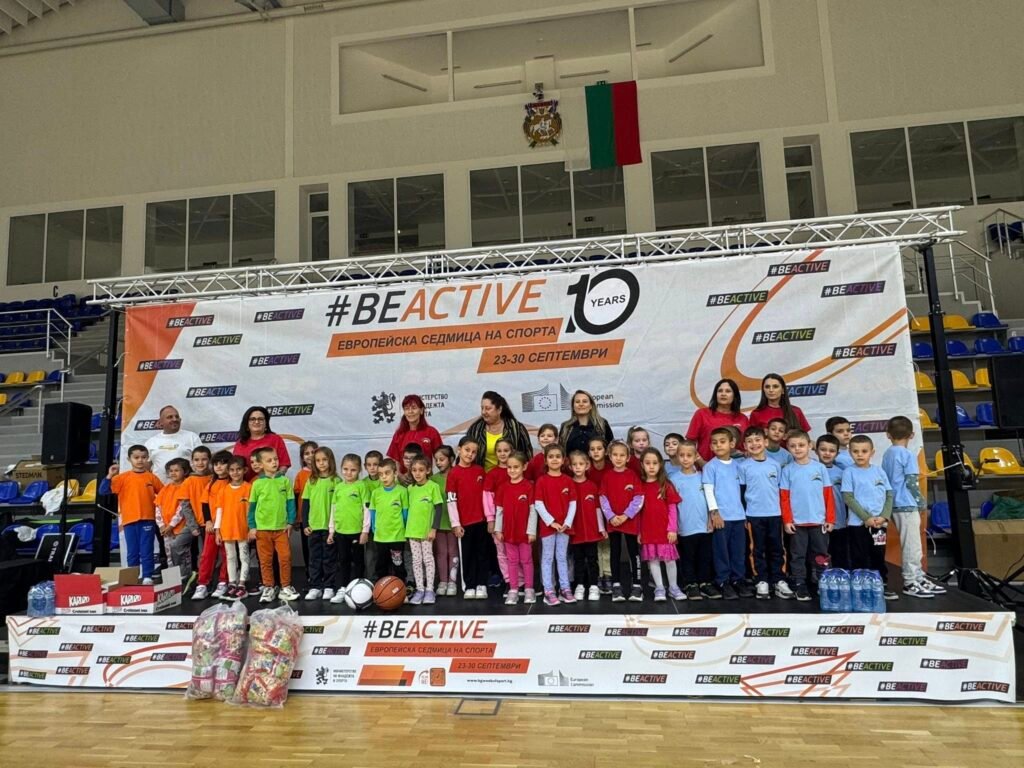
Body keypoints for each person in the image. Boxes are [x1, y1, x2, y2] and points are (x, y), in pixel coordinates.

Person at [882, 416, 945, 597]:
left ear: (888, 435)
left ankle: (918, 577)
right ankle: (911, 581)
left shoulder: (887, 453)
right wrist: (920, 501)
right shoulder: (908, 454)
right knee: (912, 545)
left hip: (893, 503)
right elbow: (911, 482)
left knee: (911, 543)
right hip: (907, 504)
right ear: (912, 435)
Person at [779, 431, 834, 601]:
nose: (797, 449)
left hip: (819, 521)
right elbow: (784, 497)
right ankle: (799, 584)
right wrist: (787, 520)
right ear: (788, 448)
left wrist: (830, 519)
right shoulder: (787, 470)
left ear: (810, 445)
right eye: (793, 446)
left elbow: (828, 494)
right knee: (798, 555)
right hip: (797, 523)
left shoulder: (820, 468)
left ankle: (823, 582)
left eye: (801, 445)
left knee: (821, 554)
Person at [841, 434, 897, 601]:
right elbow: (848, 497)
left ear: (872, 452)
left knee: (878, 554)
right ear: (850, 452)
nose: (860, 454)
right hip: (858, 524)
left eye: (864, 451)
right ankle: (861, 586)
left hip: (879, 524)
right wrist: (866, 518)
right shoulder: (849, 472)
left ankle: (881, 584)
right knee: (859, 555)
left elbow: (889, 494)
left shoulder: (879, 471)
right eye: (855, 451)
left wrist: (884, 517)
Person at [738, 427, 790, 600]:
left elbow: (781, 490)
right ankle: (761, 580)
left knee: (777, 548)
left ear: (766, 442)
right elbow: (742, 492)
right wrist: (745, 515)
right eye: (750, 441)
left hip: (775, 514)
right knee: (757, 549)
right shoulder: (743, 467)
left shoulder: (775, 465)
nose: (754, 444)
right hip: (754, 515)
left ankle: (779, 579)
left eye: (758, 440)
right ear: (745, 445)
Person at [702, 427, 750, 600]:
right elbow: (708, 490)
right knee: (721, 551)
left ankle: (738, 579)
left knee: (738, 551)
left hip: (738, 516)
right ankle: (723, 580)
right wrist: (715, 513)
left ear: (732, 444)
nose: (718, 445)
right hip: (722, 517)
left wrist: (745, 515)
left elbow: (743, 492)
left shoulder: (739, 466)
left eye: (722, 442)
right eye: (714, 443)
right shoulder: (710, 466)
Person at [102, 446, 161, 585]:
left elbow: (164, 494)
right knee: (132, 551)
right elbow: (103, 491)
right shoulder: (122, 478)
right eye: (136, 457)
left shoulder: (151, 477)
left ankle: (147, 576)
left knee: (147, 550)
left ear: (147, 459)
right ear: (129, 459)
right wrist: (109, 475)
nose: (140, 460)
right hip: (129, 520)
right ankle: (133, 577)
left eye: (143, 457)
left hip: (148, 519)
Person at [667, 440, 719, 600]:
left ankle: (705, 583)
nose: (685, 458)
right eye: (682, 455)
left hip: (704, 526)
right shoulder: (673, 479)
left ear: (696, 456)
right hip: (685, 526)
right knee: (688, 557)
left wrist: (711, 517)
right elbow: (671, 506)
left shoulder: (703, 477)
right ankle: (690, 584)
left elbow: (710, 499)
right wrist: (674, 526)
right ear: (677, 456)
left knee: (705, 556)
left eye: (689, 455)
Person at [247, 447, 298, 603]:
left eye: (275, 459)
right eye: (269, 460)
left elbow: (291, 503)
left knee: (285, 558)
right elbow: (252, 507)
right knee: (265, 560)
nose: (274, 462)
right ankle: (268, 587)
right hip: (262, 530)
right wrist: (252, 526)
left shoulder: (285, 481)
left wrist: (290, 522)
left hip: (281, 529)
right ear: (260, 464)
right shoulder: (257, 484)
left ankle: (285, 587)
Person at [600, 440, 644, 602]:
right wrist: (611, 517)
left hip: (630, 522)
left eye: (622, 455)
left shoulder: (632, 475)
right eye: (615, 455)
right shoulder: (607, 476)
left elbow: (639, 498)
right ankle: (616, 585)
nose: (618, 458)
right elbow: (603, 498)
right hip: (613, 523)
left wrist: (626, 515)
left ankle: (637, 586)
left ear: (627, 457)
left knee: (634, 553)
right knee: (615, 552)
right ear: (610, 457)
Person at [637, 448, 683, 602]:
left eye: (655, 463)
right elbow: (638, 512)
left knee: (669, 560)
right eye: (647, 463)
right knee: (653, 560)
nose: (651, 466)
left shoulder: (666, 485)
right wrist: (639, 531)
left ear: (661, 464)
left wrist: (672, 529)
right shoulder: (640, 486)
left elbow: (672, 508)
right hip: (648, 530)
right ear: (642, 465)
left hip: (665, 531)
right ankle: (659, 588)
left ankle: (674, 588)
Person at [446, 437, 489, 599]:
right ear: (459, 450)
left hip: (481, 521)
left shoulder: (479, 471)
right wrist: (456, 523)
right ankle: (469, 585)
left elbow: (486, 496)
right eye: (467, 450)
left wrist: (489, 518)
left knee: (482, 554)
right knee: (467, 555)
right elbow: (451, 500)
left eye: (474, 452)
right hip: (464, 523)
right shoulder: (453, 473)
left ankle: (481, 584)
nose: (470, 454)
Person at [534, 444, 577, 606]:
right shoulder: (541, 481)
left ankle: (565, 588)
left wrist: (567, 522)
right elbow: (538, 504)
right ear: (545, 460)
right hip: (548, 528)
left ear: (563, 460)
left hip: (564, 528)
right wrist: (551, 522)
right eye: (551, 457)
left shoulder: (568, 480)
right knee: (547, 558)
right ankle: (549, 590)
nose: (554, 459)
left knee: (562, 557)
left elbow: (573, 503)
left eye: (558, 456)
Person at [494, 452, 537, 605]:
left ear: (524, 467)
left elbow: (533, 510)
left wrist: (531, 531)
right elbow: (499, 510)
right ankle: (513, 590)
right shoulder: (503, 488)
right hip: (508, 533)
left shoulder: (529, 486)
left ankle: (529, 589)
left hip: (524, 533)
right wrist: (498, 529)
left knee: (526, 560)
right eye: (509, 467)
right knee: (512, 561)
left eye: (516, 467)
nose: (512, 470)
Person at [329, 454, 370, 603]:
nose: (348, 473)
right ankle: (343, 588)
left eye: (353, 470)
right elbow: (334, 509)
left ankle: (358, 588)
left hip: (356, 532)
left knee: (358, 561)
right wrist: (331, 530)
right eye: (345, 469)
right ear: (341, 469)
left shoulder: (361, 486)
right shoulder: (339, 487)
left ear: (359, 470)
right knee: (343, 560)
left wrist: (365, 531)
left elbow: (367, 509)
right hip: (341, 532)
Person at [156, 458, 201, 590]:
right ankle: (172, 582)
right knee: (169, 555)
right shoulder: (165, 489)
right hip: (166, 529)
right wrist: (161, 525)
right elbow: (158, 507)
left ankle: (185, 579)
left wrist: (171, 525)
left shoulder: (185, 486)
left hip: (180, 528)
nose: (173, 473)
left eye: (177, 470)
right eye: (171, 471)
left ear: (185, 471)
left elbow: (182, 510)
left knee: (183, 554)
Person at [127, 405, 203, 483]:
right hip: (159, 488)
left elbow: (202, 463)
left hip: (186, 487)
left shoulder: (192, 437)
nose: (175, 419)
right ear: (160, 422)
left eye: (177, 416)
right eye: (170, 417)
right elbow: (145, 468)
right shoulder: (151, 442)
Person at [301, 447, 339, 601]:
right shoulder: (311, 481)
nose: (321, 463)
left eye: (324, 460)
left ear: (331, 461)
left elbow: (340, 506)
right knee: (314, 559)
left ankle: (329, 586)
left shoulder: (336, 481)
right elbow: (305, 504)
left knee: (329, 558)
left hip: (330, 528)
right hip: (314, 527)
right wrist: (305, 524)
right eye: (318, 460)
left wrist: (335, 527)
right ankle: (315, 586)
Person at [568, 450, 605, 601]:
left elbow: (597, 508)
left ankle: (594, 586)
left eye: (581, 464)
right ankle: (580, 585)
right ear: (570, 467)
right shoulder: (568, 485)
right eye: (574, 464)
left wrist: (601, 528)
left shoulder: (592, 486)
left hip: (591, 531)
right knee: (578, 559)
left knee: (592, 559)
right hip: (575, 531)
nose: (578, 467)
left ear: (587, 465)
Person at [213, 456, 252, 600]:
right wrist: (217, 531)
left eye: (238, 469)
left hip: (243, 529)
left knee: (244, 556)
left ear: (244, 470)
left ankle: (242, 584)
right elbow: (219, 511)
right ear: (228, 472)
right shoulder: (223, 490)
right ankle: (232, 583)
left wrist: (251, 528)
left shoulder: (249, 488)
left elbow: (253, 510)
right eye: (232, 470)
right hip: (227, 529)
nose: (235, 473)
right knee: (230, 557)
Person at [406, 457, 443, 605]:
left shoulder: (433, 487)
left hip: (427, 532)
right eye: (414, 470)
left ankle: (429, 590)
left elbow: (439, 509)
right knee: (416, 560)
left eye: (421, 470)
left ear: (428, 470)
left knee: (428, 559)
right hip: (412, 531)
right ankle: (420, 589)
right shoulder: (410, 489)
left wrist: (434, 528)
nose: (417, 473)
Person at [685, 379, 749, 464]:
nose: (723, 394)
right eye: (720, 391)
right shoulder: (702, 414)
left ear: (735, 396)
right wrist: (702, 463)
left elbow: (746, 446)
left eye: (728, 391)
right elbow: (689, 444)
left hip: (735, 468)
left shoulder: (743, 418)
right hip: (705, 466)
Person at [464, 391, 533, 470]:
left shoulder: (516, 427)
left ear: (499, 409)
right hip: (482, 475)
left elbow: (527, 454)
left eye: (488, 408)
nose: (483, 412)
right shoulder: (475, 429)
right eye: (482, 408)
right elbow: (465, 454)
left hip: (511, 475)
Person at [369, 459, 409, 583]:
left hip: (397, 536)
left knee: (398, 564)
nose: (384, 477)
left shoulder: (402, 491)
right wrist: (374, 528)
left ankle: (400, 586)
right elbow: (373, 511)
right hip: (381, 536)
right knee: (381, 564)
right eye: (381, 474)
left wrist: (405, 529)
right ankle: (382, 587)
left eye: (387, 473)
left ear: (395, 473)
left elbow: (405, 512)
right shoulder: (376, 493)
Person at [483, 438, 514, 594]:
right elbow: (487, 498)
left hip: (515, 519)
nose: (502, 454)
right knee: (502, 552)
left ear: (512, 451)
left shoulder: (516, 470)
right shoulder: (492, 474)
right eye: (499, 451)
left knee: (515, 551)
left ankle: (519, 581)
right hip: (498, 521)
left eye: (506, 450)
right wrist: (491, 519)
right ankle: (508, 580)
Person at [817, 435, 850, 570]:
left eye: (831, 450)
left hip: (839, 521)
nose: (827, 453)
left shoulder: (843, 473)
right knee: (820, 555)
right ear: (816, 451)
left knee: (840, 553)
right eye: (823, 449)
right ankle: (821, 577)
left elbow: (847, 497)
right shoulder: (812, 470)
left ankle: (841, 576)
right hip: (819, 521)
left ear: (837, 453)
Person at [386, 395, 443, 472]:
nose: (410, 412)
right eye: (407, 409)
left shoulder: (432, 432)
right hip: (404, 478)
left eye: (414, 408)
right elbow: (395, 459)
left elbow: (441, 456)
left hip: (425, 478)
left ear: (421, 410)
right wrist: (400, 475)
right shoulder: (399, 434)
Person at [232, 407, 292, 481]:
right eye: (252, 419)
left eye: (260, 419)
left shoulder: (276, 439)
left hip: (271, 484)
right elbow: (235, 466)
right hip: (246, 486)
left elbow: (284, 465)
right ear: (247, 423)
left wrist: (274, 480)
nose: (257, 422)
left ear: (266, 422)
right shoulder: (240, 443)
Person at [431, 446, 458, 597]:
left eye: (442, 459)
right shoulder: (433, 480)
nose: (438, 463)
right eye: (436, 460)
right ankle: (443, 581)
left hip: (454, 522)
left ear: (451, 459)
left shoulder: (457, 475)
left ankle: (452, 581)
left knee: (452, 551)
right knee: (441, 552)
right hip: (439, 522)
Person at [587, 437, 614, 594]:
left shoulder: (611, 468)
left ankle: (608, 575)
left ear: (606, 451)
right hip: (591, 513)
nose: (596, 452)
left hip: (609, 512)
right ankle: (598, 574)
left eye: (599, 448)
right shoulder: (586, 469)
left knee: (607, 544)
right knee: (596, 545)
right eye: (593, 449)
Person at [749, 374, 812, 439]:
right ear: (763, 390)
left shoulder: (796, 411)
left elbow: (805, 438)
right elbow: (751, 439)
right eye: (767, 387)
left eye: (775, 386)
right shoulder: (756, 413)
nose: (771, 390)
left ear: (782, 390)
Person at [558, 390, 615, 456]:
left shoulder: (602, 424)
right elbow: (560, 451)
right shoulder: (566, 426)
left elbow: (611, 448)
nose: (581, 404)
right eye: (577, 402)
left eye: (584, 401)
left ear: (591, 406)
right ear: (573, 406)